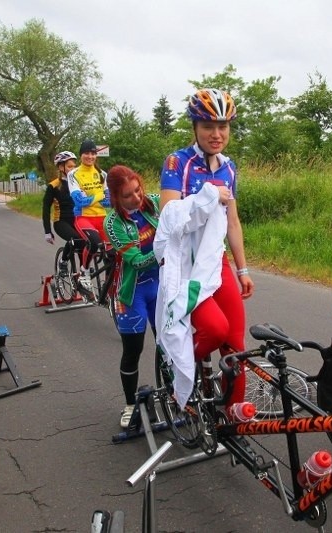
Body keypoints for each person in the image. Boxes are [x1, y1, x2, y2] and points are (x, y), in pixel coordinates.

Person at [157, 88, 255, 412]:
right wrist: (207, 195)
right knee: (214, 330)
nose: (217, 134)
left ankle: (234, 416)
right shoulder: (178, 162)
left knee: (236, 346)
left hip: (217, 261)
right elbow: (169, 215)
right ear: (195, 127)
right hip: (185, 264)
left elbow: (233, 222)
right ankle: (178, 369)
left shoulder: (229, 167)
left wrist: (242, 270)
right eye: (208, 126)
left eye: (223, 126)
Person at [103, 165, 161, 428]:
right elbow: (137, 262)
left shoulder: (155, 204)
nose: (136, 198)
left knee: (169, 344)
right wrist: (164, 250)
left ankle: (174, 395)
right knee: (133, 350)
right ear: (116, 198)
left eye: (138, 190)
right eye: (127, 196)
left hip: (160, 287)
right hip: (133, 292)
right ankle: (129, 404)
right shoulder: (112, 223)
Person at [67, 139, 110, 268]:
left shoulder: (102, 174)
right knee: (94, 242)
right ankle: (84, 271)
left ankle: (109, 287)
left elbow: (108, 202)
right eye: (86, 153)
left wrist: (91, 198)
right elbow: (79, 202)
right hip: (83, 217)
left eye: (93, 153)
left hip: (102, 217)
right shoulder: (73, 174)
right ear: (80, 155)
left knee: (113, 254)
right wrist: (99, 195)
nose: (90, 157)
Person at [42, 151, 85, 268]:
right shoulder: (54, 186)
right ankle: (63, 260)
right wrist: (47, 231)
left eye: (74, 166)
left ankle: (82, 270)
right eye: (70, 166)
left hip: (77, 219)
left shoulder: (78, 183)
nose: (73, 169)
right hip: (61, 221)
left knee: (85, 241)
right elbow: (46, 209)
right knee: (77, 240)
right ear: (61, 167)